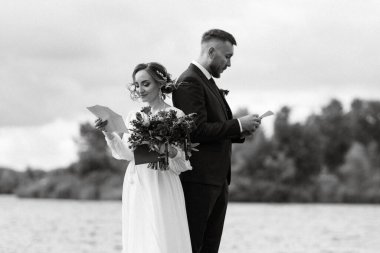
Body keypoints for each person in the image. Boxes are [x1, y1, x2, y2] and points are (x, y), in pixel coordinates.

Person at [172, 29, 261, 253]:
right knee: (195, 246)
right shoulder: (189, 82)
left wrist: (240, 132)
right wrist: (238, 125)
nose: (229, 64)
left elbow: (213, 127)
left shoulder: (207, 81)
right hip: (199, 181)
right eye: (227, 56)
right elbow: (195, 131)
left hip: (217, 180)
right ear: (211, 51)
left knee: (210, 247)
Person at [95, 62, 192, 253]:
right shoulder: (134, 116)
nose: (140, 90)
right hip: (136, 181)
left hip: (162, 182)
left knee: (162, 236)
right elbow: (124, 153)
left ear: (159, 83)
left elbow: (183, 163)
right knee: (140, 235)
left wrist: (169, 150)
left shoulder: (176, 115)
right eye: (137, 85)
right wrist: (108, 132)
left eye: (145, 84)